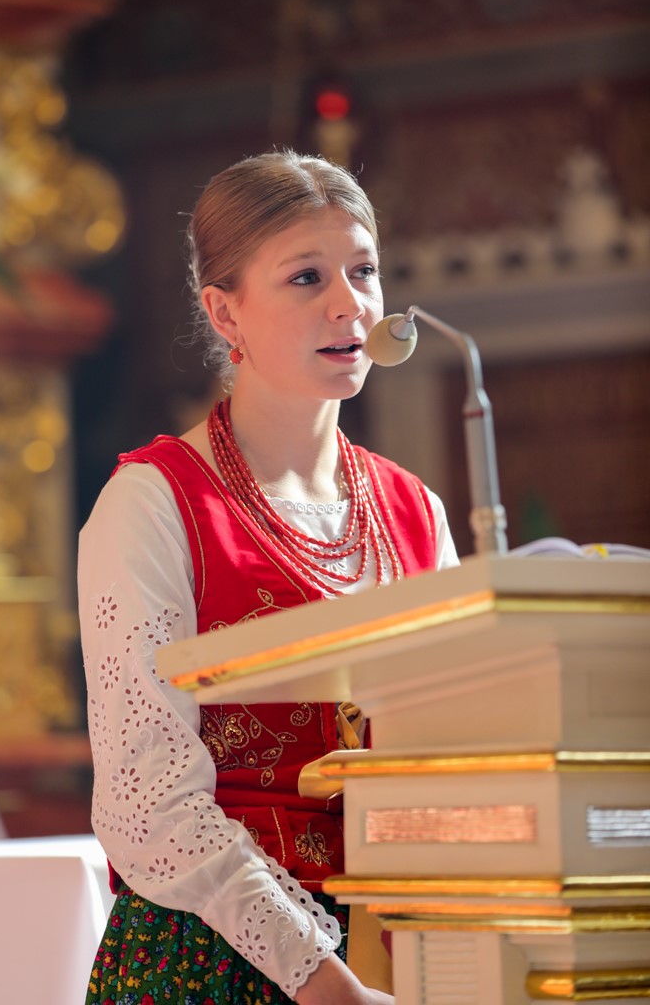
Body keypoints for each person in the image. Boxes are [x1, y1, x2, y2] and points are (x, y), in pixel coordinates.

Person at [79, 149, 459, 1005]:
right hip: (216, 960)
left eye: (364, 271)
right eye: (305, 277)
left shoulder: (415, 509)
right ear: (225, 311)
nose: (349, 304)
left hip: (408, 948)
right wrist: (324, 981)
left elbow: (460, 748)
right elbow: (150, 808)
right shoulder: (152, 503)